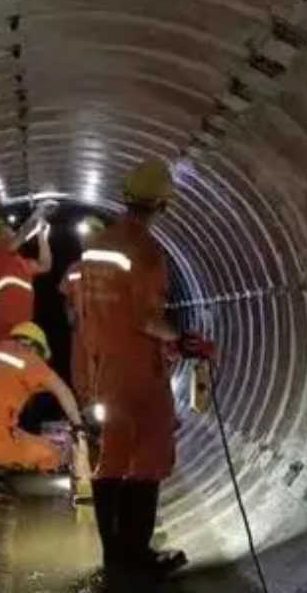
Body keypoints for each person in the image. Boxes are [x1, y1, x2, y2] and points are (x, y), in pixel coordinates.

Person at [79, 159, 217, 582]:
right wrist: (178, 337)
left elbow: (88, 309)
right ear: (162, 204)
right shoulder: (145, 251)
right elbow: (144, 318)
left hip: (104, 366)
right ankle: (137, 556)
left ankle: (115, 557)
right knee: (148, 461)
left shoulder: (97, 244)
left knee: (112, 461)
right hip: (140, 371)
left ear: (125, 196)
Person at [0, 322, 84, 472]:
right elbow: (63, 391)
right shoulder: (30, 359)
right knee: (51, 452)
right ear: (35, 347)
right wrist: (79, 426)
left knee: (20, 435)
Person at [0, 218, 52, 343]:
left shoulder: (19, 263)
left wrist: (42, 236)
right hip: (4, 335)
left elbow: (45, 265)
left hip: (21, 333)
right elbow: (21, 235)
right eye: (7, 228)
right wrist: (38, 214)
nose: (12, 230)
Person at [59, 216, 106, 407]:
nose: (84, 240)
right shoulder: (74, 269)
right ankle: (87, 418)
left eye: (89, 235)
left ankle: (111, 420)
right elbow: (66, 298)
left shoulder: (113, 268)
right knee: (81, 374)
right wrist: (69, 311)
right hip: (81, 332)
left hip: (106, 332)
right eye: (82, 236)